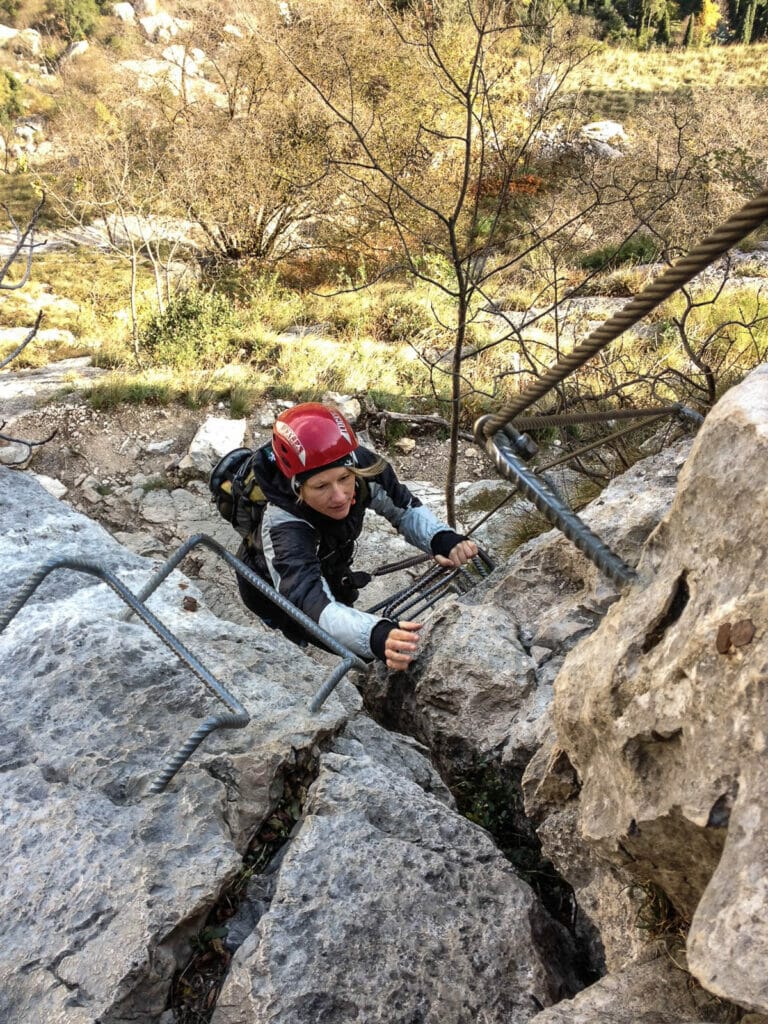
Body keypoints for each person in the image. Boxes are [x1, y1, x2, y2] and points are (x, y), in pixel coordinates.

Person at [235, 402, 478, 670]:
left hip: (330, 562)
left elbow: (403, 509)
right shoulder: (283, 525)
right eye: (321, 486)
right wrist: (374, 636)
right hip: (268, 586)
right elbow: (309, 601)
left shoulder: (361, 467)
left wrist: (440, 538)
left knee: (344, 612)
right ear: (297, 488)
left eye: (344, 478)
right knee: (299, 630)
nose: (339, 496)